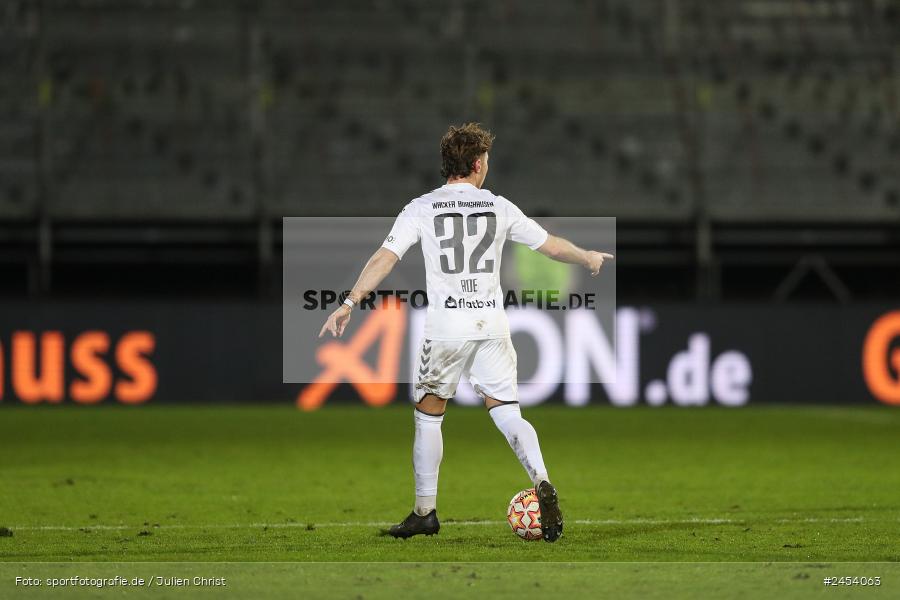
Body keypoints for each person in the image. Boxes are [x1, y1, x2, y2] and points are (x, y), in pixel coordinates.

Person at [319, 123, 613, 542]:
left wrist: (350, 302)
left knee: (428, 413)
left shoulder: (421, 208)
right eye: (486, 160)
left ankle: (425, 511)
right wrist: (587, 257)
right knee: (508, 410)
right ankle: (542, 479)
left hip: (446, 327)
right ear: (477, 164)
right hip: (490, 322)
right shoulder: (497, 206)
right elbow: (549, 245)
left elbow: (385, 257)